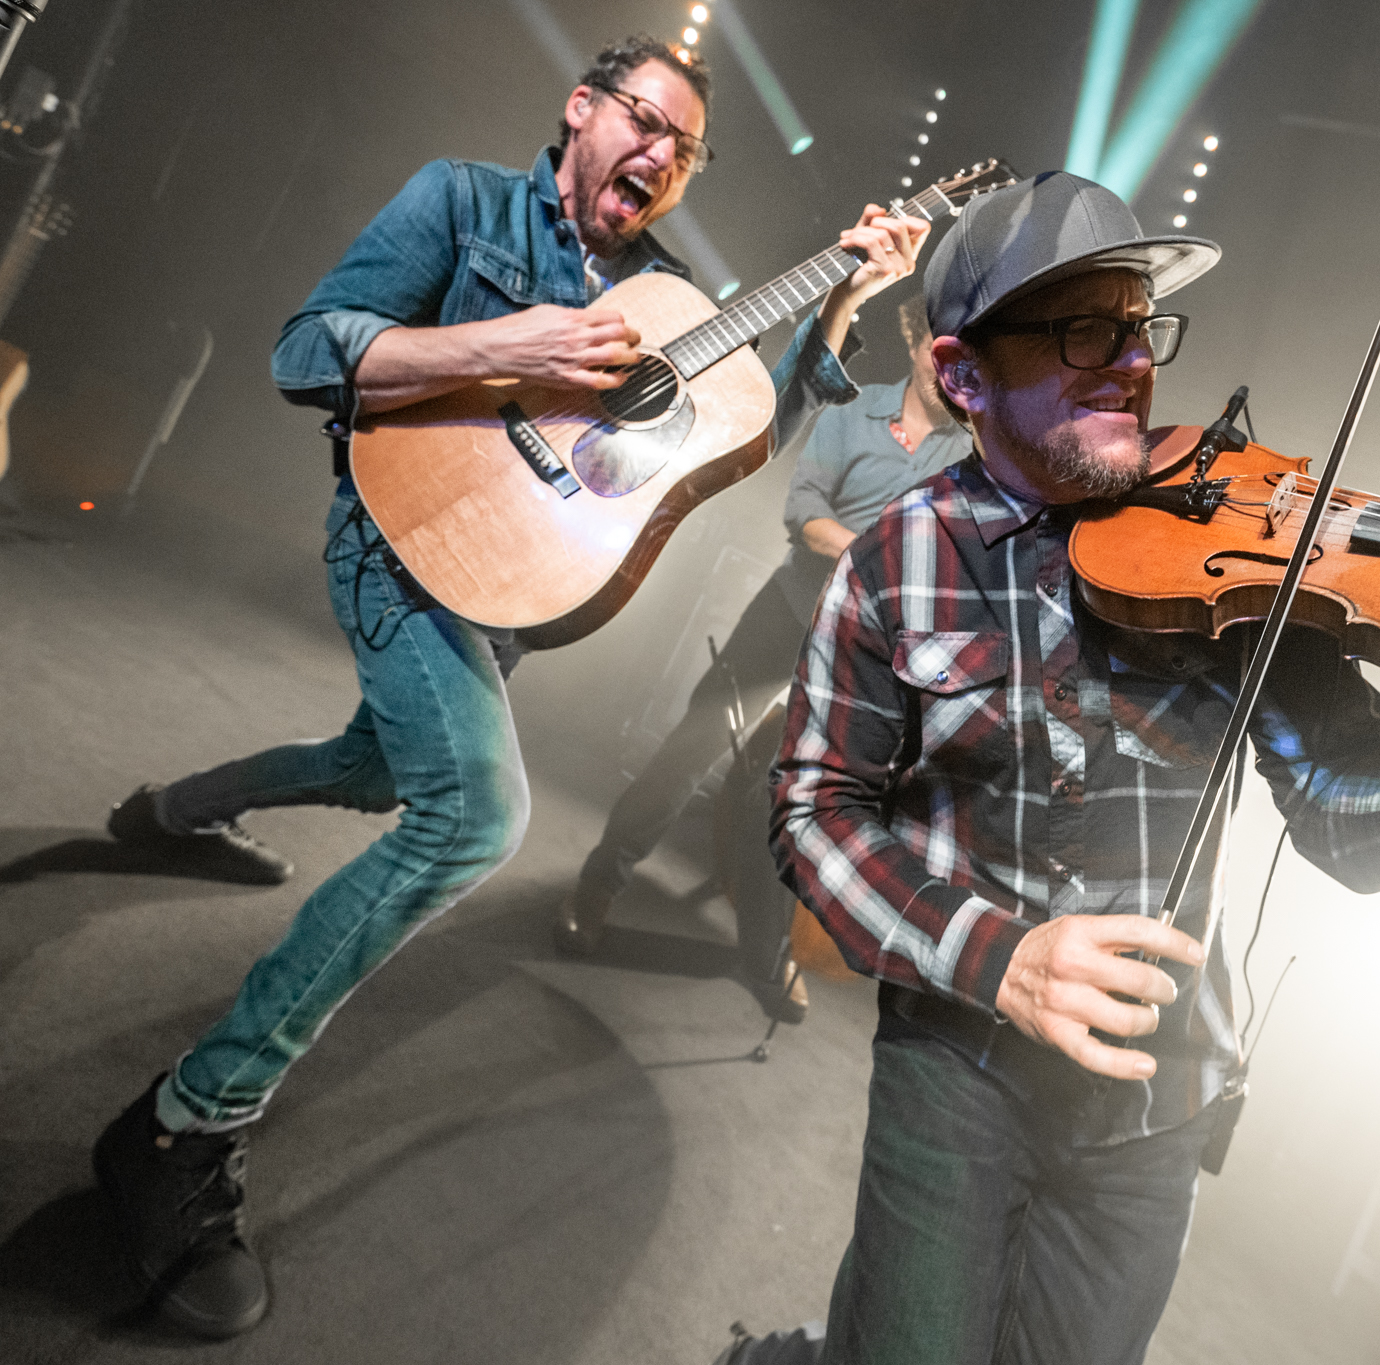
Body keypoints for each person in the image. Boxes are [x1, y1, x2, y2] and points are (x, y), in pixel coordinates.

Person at [720, 170, 1380, 1365]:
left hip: (1157, 1093)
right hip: (956, 1067)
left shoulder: (1228, 550)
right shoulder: (892, 561)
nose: (1129, 362)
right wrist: (1002, 959)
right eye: (1080, 329)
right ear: (966, 373)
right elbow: (817, 808)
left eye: (1137, 324)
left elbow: (1351, 811)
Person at [89, 34, 929, 1340]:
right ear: (580, 110)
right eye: (642, 121)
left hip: (510, 592)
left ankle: (169, 809)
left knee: (380, 763)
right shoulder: (461, 201)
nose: (658, 155)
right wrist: (506, 349)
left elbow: (752, 408)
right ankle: (177, 1127)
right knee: (475, 810)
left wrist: (845, 293)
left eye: (684, 148)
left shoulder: (664, 295)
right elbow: (308, 350)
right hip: (397, 534)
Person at [556, 296, 973, 1024]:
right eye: (941, 345)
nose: (949, 368)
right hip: (785, 615)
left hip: (858, 652)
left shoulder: (967, 459)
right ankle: (598, 882)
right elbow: (805, 517)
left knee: (801, 803)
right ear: (915, 338)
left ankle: (765, 954)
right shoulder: (852, 410)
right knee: (688, 755)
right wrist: (878, 554)